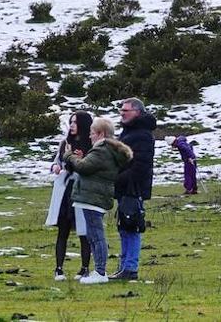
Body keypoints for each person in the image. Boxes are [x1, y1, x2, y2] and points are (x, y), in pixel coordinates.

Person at [63, 116, 132, 285]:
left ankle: (100, 272)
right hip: (96, 196)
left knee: (96, 235)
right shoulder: (108, 150)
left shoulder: (101, 150)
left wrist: (69, 156)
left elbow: (83, 167)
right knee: (93, 234)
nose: (89, 136)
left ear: (101, 134)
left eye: (92, 133)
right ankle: (98, 270)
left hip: (92, 197)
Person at [46, 111, 93, 281]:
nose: (72, 125)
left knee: (84, 231)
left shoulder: (92, 144)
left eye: (75, 122)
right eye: (71, 122)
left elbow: (92, 166)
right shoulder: (65, 143)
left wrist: (81, 160)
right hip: (66, 189)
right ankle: (59, 268)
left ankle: (85, 268)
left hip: (82, 190)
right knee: (62, 229)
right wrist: (55, 168)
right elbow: (56, 162)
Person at [114, 97, 156, 281]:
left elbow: (140, 166)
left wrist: (117, 179)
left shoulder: (142, 135)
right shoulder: (128, 133)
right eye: (121, 111)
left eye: (126, 111)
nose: (122, 114)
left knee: (131, 226)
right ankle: (124, 266)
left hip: (133, 188)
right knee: (124, 226)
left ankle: (130, 267)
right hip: (125, 187)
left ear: (137, 112)